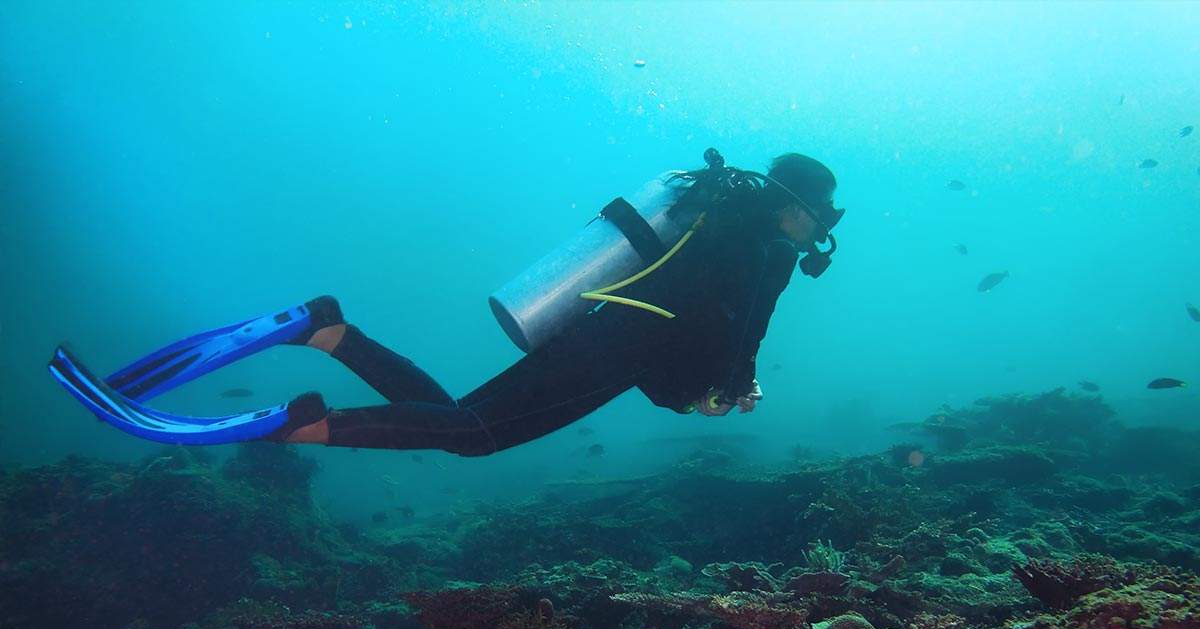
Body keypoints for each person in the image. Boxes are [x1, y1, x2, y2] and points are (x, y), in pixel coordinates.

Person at [48, 151, 843, 455]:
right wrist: (716, 394)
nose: (815, 231)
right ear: (795, 206)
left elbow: (695, 320)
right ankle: (297, 422)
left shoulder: (713, 215)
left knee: (464, 424)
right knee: (474, 435)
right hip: (625, 347)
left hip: (604, 329)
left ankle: (328, 332)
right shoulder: (764, 250)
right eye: (817, 215)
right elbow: (732, 339)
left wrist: (702, 380)